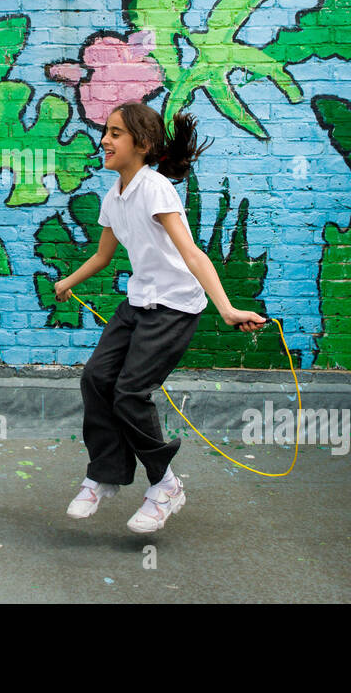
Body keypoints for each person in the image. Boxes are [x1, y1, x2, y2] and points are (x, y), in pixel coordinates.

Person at [54, 101, 266, 532]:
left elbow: (192, 253)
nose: (105, 140)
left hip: (173, 307)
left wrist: (225, 309)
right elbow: (103, 254)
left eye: (116, 133)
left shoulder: (155, 188)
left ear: (142, 144)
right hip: (138, 302)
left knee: (130, 392)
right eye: (106, 132)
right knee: (96, 378)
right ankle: (105, 474)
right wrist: (67, 281)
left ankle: (165, 484)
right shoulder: (115, 196)